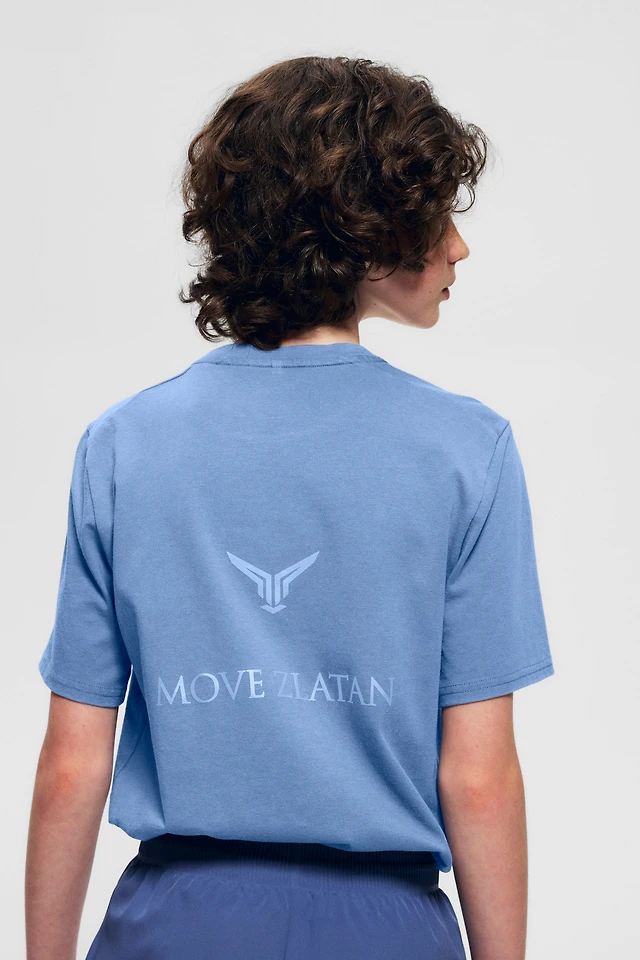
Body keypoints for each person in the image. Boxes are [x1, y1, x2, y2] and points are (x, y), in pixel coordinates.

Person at [25, 55, 554, 960]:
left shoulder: (124, 445)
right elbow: (478, 779)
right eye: (436, 215)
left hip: (175, 922)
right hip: (386, 929)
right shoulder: (467, 452)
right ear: (364, 232)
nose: (458, 248)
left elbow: (73, 763)